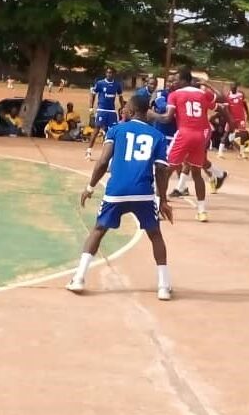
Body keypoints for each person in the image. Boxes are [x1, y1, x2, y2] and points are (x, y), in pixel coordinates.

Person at [66, 95, 174, 300]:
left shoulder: (116, 130)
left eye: (125, 109)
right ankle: (163, 286)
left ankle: (79, 278)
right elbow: (161, 170)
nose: (122, 111)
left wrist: (90, 187)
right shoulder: (157, 136)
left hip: (116, 191)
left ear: (131, 112)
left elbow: (102, 162)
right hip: (143, 192)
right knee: (155, 235)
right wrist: (163, 200)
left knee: (98, 230)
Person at [152, 68, 221, 222]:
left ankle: (157, 208)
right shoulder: (202, 94)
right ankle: (202, 211)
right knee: (197, 173)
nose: (174, 82)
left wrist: (152, 115)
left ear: (184, 81)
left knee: (165, 171)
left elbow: (167, 118)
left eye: (176, 80)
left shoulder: (175, 95)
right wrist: (206, 84)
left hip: (184, 133)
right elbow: (220, 98)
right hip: (200, 136)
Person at [86, 67, 124, 160]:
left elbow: (120, 97)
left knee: (112, 132)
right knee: (96, 130)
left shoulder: (117, 85)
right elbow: (93, 95)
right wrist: (91, 107)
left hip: (111, 111)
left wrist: (123, 107)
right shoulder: (100, 83)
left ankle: (110, 154)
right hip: (102, 110)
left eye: (111, 73)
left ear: (114, 74)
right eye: (107, 72)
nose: (109, 74)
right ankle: (88, 151)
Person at [219, 82, 249, 158]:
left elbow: (245, 105)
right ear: (230, 88)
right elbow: (227, 109)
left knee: (242, 135)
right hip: (231, 119)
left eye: (234, 88)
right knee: (226, 134)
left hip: (241, 118)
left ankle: (241, 153)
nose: (233, 89)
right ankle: (220, 152)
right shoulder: (227, 96)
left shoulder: (241, 95)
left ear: (236, 88)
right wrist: (229, 118)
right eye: (232, 88)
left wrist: (248, 115)